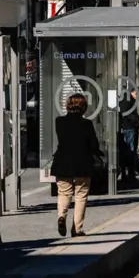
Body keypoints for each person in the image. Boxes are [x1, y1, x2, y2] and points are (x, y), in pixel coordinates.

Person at [51, 93, 103, 237]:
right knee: (81, 195)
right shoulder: (86, 124)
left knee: (64, 192)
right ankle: (77, 229)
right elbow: (94, 145)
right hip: (82, 164)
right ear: (83, 107)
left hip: (63, 163)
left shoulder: (59, 122)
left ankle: (61, 216)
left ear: (68, 106)